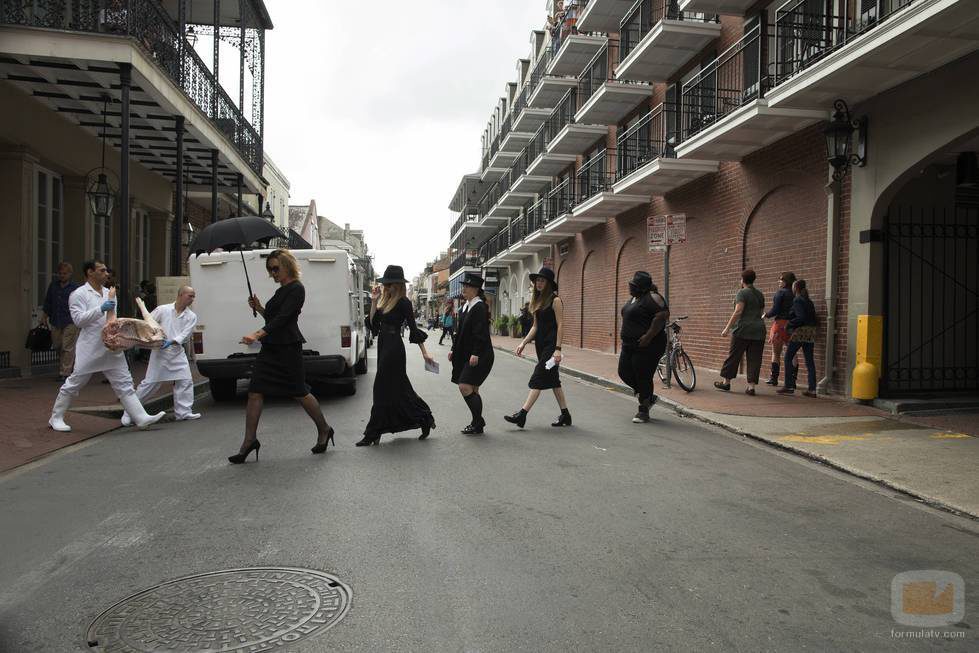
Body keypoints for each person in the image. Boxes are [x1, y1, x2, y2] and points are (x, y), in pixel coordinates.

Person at [229, 249, 335, 463]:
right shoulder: (281, 291)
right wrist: (259, 307)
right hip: (270, 348)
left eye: (276, 268)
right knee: (254, 391)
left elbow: (284, 319)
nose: (273, 273)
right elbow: (272, 317)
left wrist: (256, 334)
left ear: (287, 265)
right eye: (270, 269)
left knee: (300, 392)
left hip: (287, 348)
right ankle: (249, 441)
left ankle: (324, 429)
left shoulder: (297, 288)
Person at [48, 260, 165, 432]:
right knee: (75, 382)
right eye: (102, 270)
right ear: (90, 272)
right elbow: (78, 320)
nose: (106, 274)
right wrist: (100, 309)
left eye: (106, 271)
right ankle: (56, 417)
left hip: (111, 347)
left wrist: (119, 333)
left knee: (124, 383)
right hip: (90, 347)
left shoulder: (109, 293)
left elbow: (111, 319)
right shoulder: (78, 294)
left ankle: (140, 417)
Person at [358, 265, 436, 445]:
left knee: (380, 389)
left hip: (394, 348)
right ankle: (424, 418)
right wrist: (374, 301)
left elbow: (414, 330)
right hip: (384, 345)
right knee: (399, 390)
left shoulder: (403, 303)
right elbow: (373, 325)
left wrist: (425, 353)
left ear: (397, 284)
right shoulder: (384, 301)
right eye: (385, 283)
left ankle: (373, 433)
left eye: (389, 283)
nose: (385, 286)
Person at [121, 286, 200, 426]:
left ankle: (183, 412)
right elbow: (148, 323)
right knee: (151, 384)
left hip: (177, 352)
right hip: (160, 353)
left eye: (193, 296)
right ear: (181, 295)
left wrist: (173, 341)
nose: (192, 299)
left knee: (185, 381)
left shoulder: (191, 316)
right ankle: (129, 411)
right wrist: (152, 338)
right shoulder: (163, 309)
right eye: (190, 296)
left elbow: (186, 334)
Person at [505, 267, 571, 428]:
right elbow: (535, 327)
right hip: (541, 345)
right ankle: (566, 415)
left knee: (538, 378)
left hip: (551, 346)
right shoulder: (538, 301)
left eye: (542, 281)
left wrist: (558, 349)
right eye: (537, 281)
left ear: (548, 283)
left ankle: (522, 414)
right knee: (554, 381)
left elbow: (561, 325)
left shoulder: (555, 301)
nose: (538, 283)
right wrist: (523, 342)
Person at [616, 271, 670, 423]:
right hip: (629, 345)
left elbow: (662, 315)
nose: (630, 288)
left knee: (643, 376)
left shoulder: (653, 297)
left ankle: (643, 411)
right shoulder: (634, 299)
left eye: (633, 286)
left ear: (641, 287)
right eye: (630, 285)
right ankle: (648, 396)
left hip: (648, 346)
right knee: (624, 372)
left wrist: (648, 336)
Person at [450, 273, 495, 435]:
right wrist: (453, 350)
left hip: (481, 354)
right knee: (473, 389)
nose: (464, 289)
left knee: (464, 386)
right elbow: (460, 333)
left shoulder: (479, 307)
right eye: (464, 286)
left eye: (467, 286)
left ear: (475, 289)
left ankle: (478, 422)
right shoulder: (465, 307)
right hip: (468, 354)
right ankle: (477, 424)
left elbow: (480, 333)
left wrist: (476, 353)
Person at [715, 269, 766, 396]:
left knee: (734, 356)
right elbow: (761, 313)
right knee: (755, 358)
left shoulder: (742, 293)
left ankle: (726, 382)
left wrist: (727, 328)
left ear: (742, 280)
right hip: (759, 330)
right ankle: (751, 387)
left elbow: (738, 311)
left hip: (743, 330)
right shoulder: (760, 294)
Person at [778, 279, 819, 397]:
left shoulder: (797, 300)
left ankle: (789, 386)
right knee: (809, 361)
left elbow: (800, 317)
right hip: (811, 332)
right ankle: (812, 389)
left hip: (801, 331)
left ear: (795, 288)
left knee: (788, 357)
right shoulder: (809, 301)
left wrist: (789, 324)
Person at [40, 261, 80, 380]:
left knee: (67, 346)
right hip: (56, 320)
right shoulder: (54, 285)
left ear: (70, 274)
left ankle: (65, 372)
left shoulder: (75, 288)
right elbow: (48, 302)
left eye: (65, 273)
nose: (62, 275)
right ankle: (68, 365)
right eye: (60, 273)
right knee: (57, 345)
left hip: (70, 320)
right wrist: (44, 316)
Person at [764, 272, 796, 386]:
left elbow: (775, 310)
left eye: (781, 280)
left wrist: (766, 315)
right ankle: (793, 380)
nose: (779, 281)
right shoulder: (796, 294)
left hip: (780, 324)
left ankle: (774, 378)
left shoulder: (780, 293)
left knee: (776, 352)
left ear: (786, 281)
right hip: (792, 325)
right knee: (792, 353)